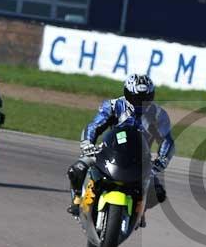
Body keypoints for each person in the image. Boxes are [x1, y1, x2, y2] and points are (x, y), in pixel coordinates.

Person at [67, 74, 175, 219]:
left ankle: (139, 209)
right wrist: (87, 144)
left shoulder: (158, 114)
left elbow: (167, 140)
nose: (140, 102)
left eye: (145, 98)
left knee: (158, 193)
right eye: (136, 98)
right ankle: (77, 199)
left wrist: (162, 160)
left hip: (140, 158)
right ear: (127, 93)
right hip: (108, 151)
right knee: (76, 169)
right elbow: (95, 126)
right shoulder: (113, 106)